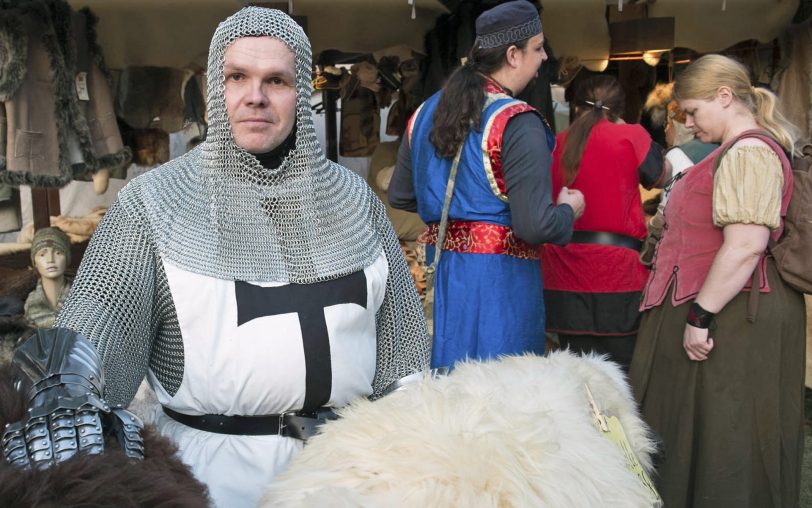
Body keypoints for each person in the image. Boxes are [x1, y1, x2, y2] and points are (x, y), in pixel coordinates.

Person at [2, 7, 430, 508]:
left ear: (301, 93)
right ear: (215, 89)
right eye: (237, 77)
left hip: (353, 476)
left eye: (276, 79)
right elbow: (88, 345)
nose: (256, 95)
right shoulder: (156, 206)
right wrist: (63, 404)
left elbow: (403, 357)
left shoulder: (355, 202)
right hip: (212, 480)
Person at [629, 54, 804, 507]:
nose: (688, 124)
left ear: (725, 97)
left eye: (693, 111)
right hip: (720, 307)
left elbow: (745, 244)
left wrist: (701, 314)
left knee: (729, 442)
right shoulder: (733, 151)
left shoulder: (750, 151)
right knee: (700, 437)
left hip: (735, 314)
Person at [389, 0, 584, 369]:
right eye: (539, 48)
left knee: (445, 392)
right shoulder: (518, 121)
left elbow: (401, 194)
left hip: (443, 274)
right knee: (500, 401)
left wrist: (458, 213)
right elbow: (536, 225)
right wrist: (568, 209)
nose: (544, 58)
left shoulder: (425, 111)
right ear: (513, 54)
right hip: (499, 286)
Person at [541, 75, 666, 372]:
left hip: (562, 275)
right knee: (621, 374)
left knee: (574, 371)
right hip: (617, 276)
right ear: (620, 109)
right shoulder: (632, 136)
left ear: (575, 107)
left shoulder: (555, 143)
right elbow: (660, 176)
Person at [24, 227, 73, 329]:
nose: (50, 259)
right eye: (42, 254)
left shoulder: (83, 298)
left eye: (58, 253)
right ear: (35, 263)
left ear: (67, 258)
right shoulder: (31, 305)